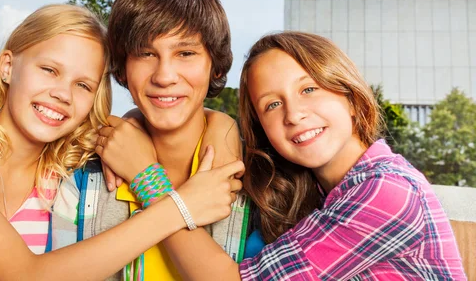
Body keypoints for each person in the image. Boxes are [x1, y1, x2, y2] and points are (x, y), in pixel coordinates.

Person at [0, 4, 243, 281]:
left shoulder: (65, 170)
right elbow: (22, 275)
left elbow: (143, 127)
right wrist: (178, 204)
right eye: (49, 70)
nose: (62, 94)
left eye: (83, 85)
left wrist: (223, 125)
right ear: (8, 66)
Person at [131, 31, 468, 280]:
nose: (293, 115)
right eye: (272, 105)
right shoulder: (319, 192)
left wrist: (148, 177)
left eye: (308, 89)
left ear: (350, 97)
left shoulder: (387, 190)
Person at [50, 0, 251, 280]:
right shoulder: (81, 177)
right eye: (145, 54)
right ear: (123, 68)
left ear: (215, 64)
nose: (164, 75)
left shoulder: (260, 182)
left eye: (185, 53)